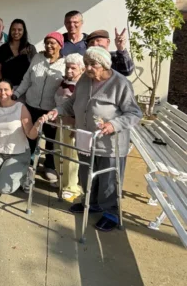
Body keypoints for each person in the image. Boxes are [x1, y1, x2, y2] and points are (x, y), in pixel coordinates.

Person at [44, 47, 142, 232]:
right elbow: (72, 102)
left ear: (104, 65)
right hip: (86, 138)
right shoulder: (85, 79)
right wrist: (58, 110)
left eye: (93, 64)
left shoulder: (120, 84)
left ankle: (111, 213)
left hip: (109, 143)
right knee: (86, 174)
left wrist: (113, 124)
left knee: (108, 181)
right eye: (86, 64)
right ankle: (91, 203)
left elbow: (134, 113)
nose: (88, 68)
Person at [0, 80, 44, 194]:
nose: (2, 93)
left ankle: (25, 174)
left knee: (4, 189)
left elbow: (31, 135)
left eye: (6, 90)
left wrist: (37, 125)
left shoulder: (20, 108)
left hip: (18, 154)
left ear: (12, 91)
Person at [13, 32, 65, 184]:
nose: (49, 46)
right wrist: (16, 94)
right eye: (47, 42)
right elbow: (27, 79)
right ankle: (28, 164)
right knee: (31, 136)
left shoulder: (65, 63)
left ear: (60, 45)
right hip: (31, 104)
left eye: (52, 43)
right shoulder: (37, 58)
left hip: (51, 109)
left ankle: (49, 166)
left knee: (50, 138)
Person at [53, 53, 85, 201]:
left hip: (72, 124)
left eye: (73, 68)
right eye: (67, 67)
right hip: (60, 122)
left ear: (82, 69)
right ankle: (62, 180)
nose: (69, 70)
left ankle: (71, 187)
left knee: (71, 157)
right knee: (59, 153)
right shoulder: (64, 81)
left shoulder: (82, 86)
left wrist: (75, 123)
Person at [0, 19, 37, 88]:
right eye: (13, 29)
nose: (16, 32)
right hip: (8, 89)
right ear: (10, 31)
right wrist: (3, 84)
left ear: (24, 31)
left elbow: (36, 68)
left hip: (26, 88)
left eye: (19, 30)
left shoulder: (30, 48)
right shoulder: (3, 48)